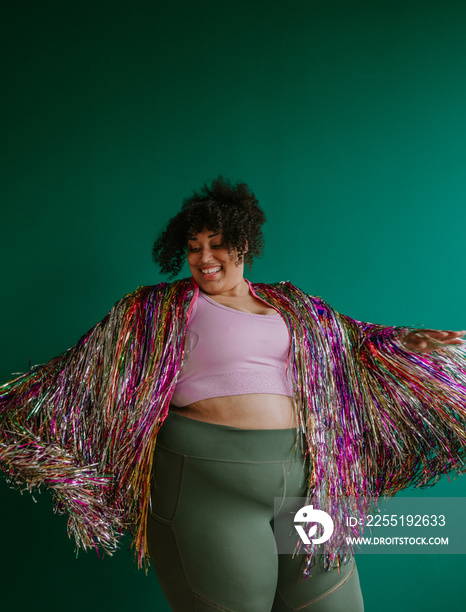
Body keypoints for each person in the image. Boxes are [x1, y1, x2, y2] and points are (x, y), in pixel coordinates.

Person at [1, 177, 466, 612]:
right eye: (193, 248)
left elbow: (352, 341)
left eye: (217, 245)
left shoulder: (293, 305)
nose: (204, 257)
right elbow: (77, 372)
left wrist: (405, 342)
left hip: (305, 485)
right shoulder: (157, 309)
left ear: (244, 245)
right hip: (209, 489)